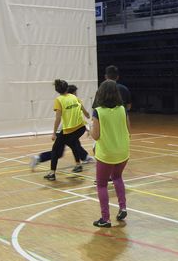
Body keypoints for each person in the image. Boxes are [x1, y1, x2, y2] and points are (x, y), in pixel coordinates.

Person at [91, 80, 130, 228]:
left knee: (101, 185)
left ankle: (105, 218)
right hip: (123, 151)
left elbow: (96, 135)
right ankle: (123, 207)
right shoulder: (122, 109)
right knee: (117, 177)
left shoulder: (98, 111)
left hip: (106, 153)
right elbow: (128, 129)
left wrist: (90, 129)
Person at [30, 85, 93, 171]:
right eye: (75, 93)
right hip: (64, 130)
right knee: (61, 151)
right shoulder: (71, 101)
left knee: (72, 146)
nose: (76, 94)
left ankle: (84, 158)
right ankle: (40, 159)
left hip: (68, 130)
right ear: (71, 93)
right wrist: (54, 133)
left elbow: (79, 118)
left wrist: (86, 128)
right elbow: (67, 119)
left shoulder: (70, 102)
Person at [43, 79, 90, 181]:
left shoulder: (59, 100)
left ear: (57, 90)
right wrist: (87, 115)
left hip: (70, 130)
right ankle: (78, 165)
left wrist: (54, 133)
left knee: (55, 150)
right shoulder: (74, 97)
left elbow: (58, 118)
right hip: (81, 128)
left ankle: (52, 173)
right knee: (73, 143)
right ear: (67, 88)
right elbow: (83, 109)